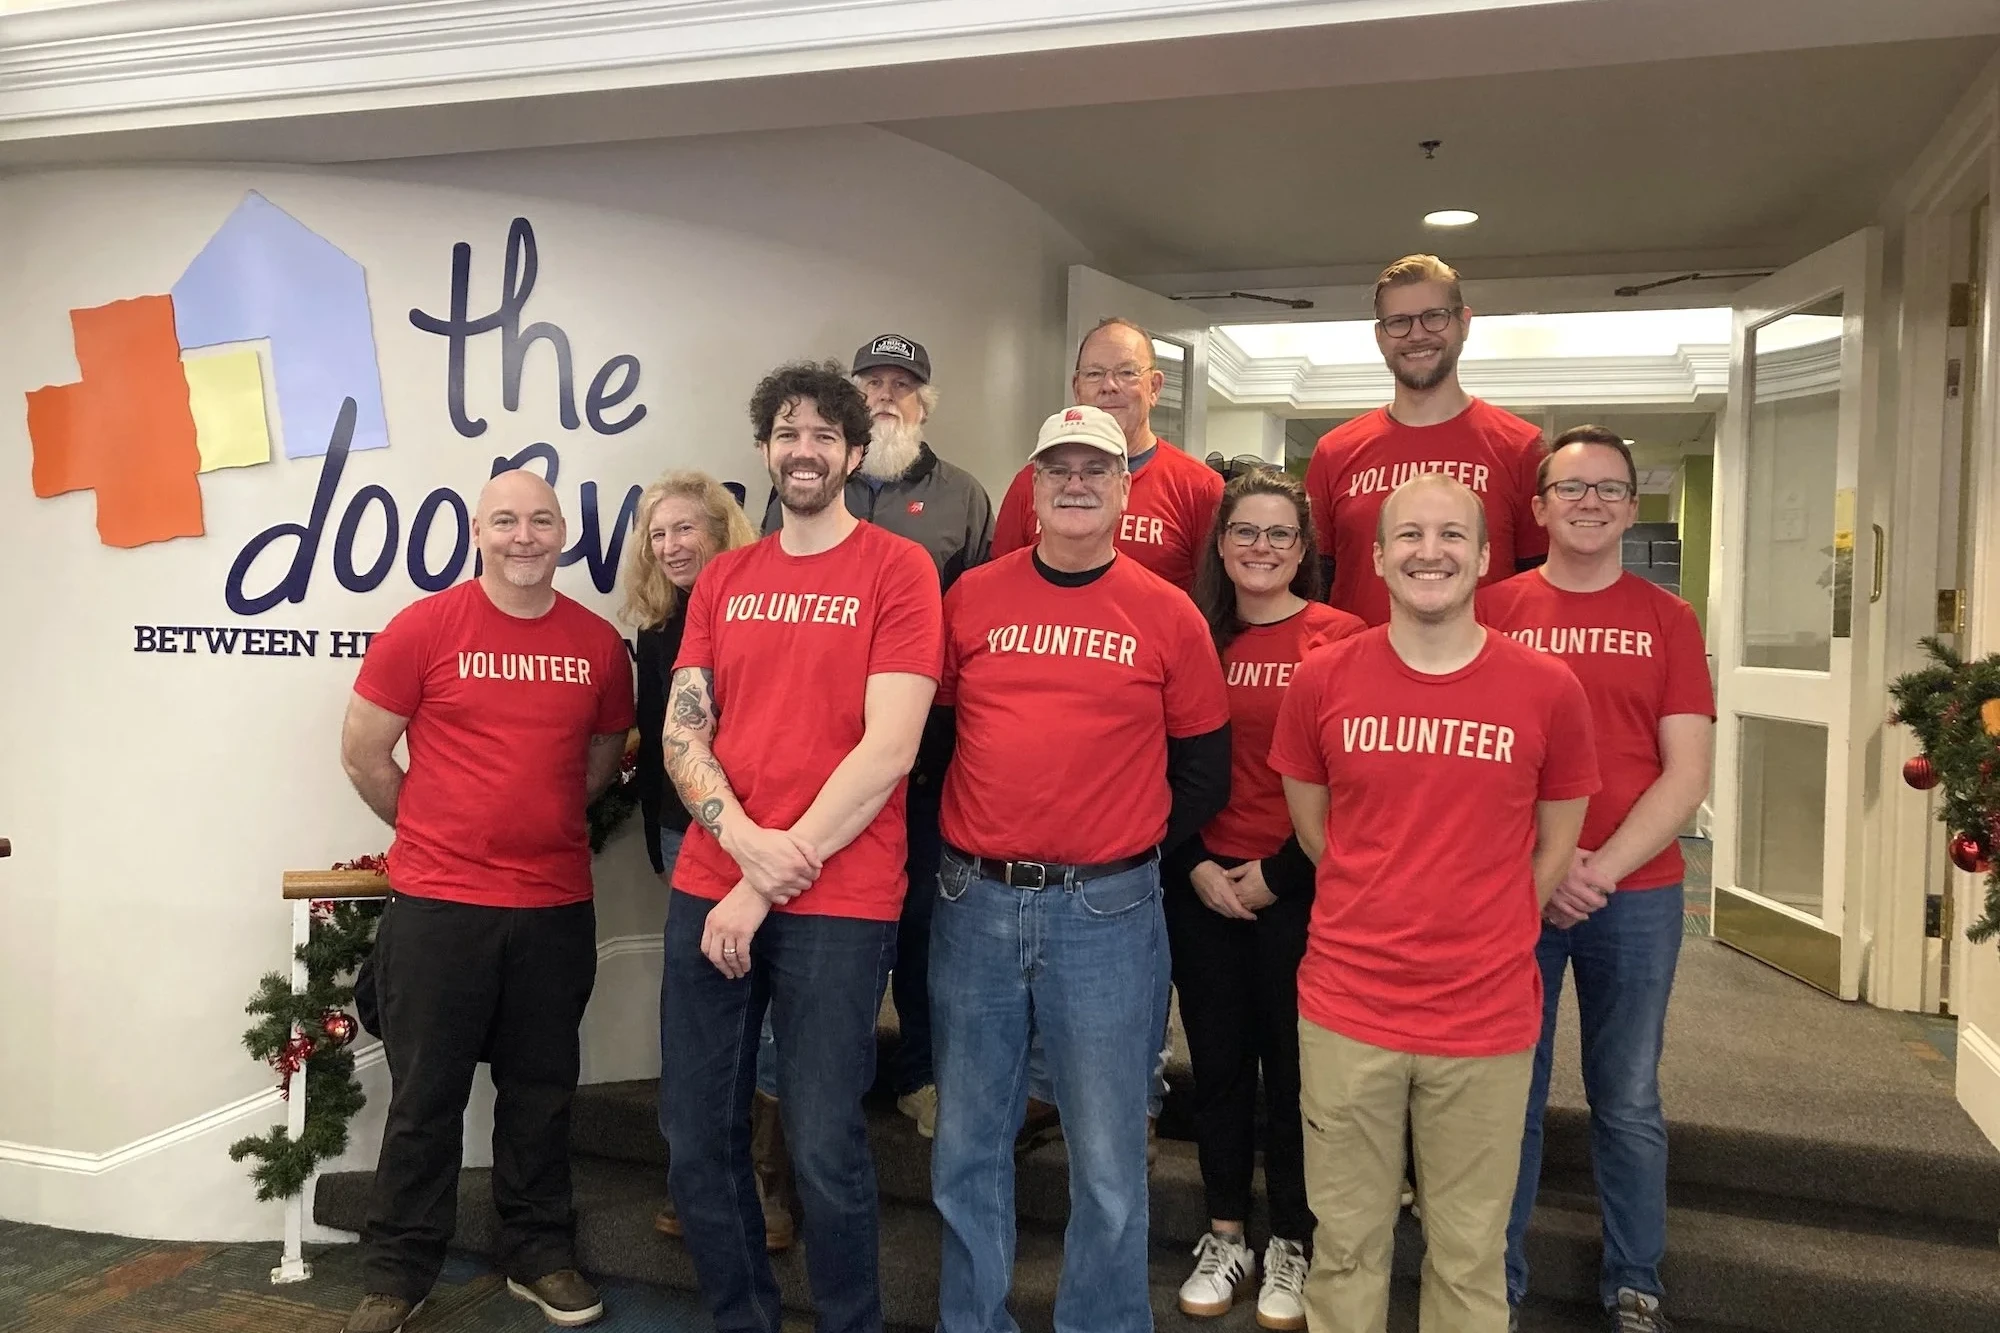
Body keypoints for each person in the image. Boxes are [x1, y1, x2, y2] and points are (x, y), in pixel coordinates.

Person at [1269, 473, 1599, 1333]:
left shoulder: (1548, 688)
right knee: (1344, 1244)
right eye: (1408, 535)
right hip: (1347, 1008)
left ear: (1486, 556)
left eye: (1452, 535)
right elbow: (1315, 829)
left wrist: (1481, 921)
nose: (1430, 552)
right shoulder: (1322, 682)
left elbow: (1555, 843)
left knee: (1468, 1251)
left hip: (1484, 1016)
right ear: (1376, 558)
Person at [929, 403, 1231, 1333]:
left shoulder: (1168, 613)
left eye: (1094, 469)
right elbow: (935, 735)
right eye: (1056, 467)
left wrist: (1122, 837)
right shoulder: (971, 598)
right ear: (1031, 489)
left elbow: (1204, 769)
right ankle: (972, 1322)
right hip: (973, 900)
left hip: (1107, 912)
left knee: (1106, 1157)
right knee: (967, 1145)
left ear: (1124, 489)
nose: (1074, 483)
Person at [659, 361, 941, 1333]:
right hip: (713, 881)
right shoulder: (724, 577)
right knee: (696, 1136)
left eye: (825, 433)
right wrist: (741, 847)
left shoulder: (896, 569)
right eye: (787, 431)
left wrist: (769, 875)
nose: (804, 449)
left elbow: (889, 746)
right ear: (765, 449)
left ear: (855, 453)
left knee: (822, 1144)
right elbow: (682, 731)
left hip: (838, 899)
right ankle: (742, 1318)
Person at [338, 469, 635, 1333]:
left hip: (552, 907)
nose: (524, 535)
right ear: (477, 530)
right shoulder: (423, 628)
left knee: (540, 1092)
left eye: (541, 520)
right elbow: (364, 752)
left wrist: (530, 821)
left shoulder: (595, 644)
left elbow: (601, 753)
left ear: (563, 534)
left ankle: (537, 1252)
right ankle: (398, 1272)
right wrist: (433, 826)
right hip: (438, 906)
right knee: (424, 1097)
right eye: (505, 519)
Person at [1484, 427, 1715, 1333]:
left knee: (1627, 1096)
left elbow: (1685, 773)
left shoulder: (1669, 618)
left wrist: (1594, 870)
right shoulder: (1493, 607)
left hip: (1640, 891)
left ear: (1631, 506)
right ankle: (1491, 1279)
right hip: (1512, 889)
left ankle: (1634, 1281)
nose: (1590, 503)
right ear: (1537, 507)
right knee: (1512, 1092)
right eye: (1571, 489)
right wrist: (1542, 871)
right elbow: (1479, 760)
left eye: (1609, 489)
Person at [755, 333, 994, 1140]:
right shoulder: (806, 486)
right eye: (874, 382)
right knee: (813, 934)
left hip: (923, 767)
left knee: (928, 929)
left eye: (903, 384)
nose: (888, 394)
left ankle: (922, 1074)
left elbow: (976, 630)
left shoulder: (963, 496)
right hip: (813, 776)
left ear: (924, 401)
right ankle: (821, 1086)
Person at [1169, 470, 1362, 1329]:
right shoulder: (1188, 633)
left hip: (1301, 885)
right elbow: (1153, 762)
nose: (1261, 548)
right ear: (1220, 543)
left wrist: (1283, 872)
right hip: (1200, 880)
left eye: (1280, 534)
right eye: (1245, 531)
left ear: (1304, 548)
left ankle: (1293, 1237)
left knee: (1292, 1071)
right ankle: (1225, 1232)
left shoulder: (1344, 639)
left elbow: (1358, 781)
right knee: (1215, 1065)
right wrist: (1196, 864)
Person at [617, 472, 784, 1249]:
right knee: (696, 1017)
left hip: (764, 839)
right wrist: (660, 836)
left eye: (687, 529)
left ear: (723, 533)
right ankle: (699, 1179)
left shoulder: (762, 610)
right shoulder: (655, 629)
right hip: (688, 842)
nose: (672, 545)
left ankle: (765, 1178)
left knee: (770, 1015)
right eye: (659, 534)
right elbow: (659, 743)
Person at [1305, 254, 1548, 626]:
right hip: (1359, 676)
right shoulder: (1334, 452)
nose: (1417, 335)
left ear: (1464, 322)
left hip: (1484, 676)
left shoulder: (1520, 447)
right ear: (1380, 336)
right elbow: (1311, 591)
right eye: (1399, 322)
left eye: (1434, 316)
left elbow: (1539, 588)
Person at [992, 317, 1224, 592]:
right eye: (1094, 373)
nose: (1109, 385)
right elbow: (1000, 584)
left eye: (1127, 373)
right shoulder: (1033, 482)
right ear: (1077, 388)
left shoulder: (1199, 488)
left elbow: (1217, 606)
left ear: (1155, 387)